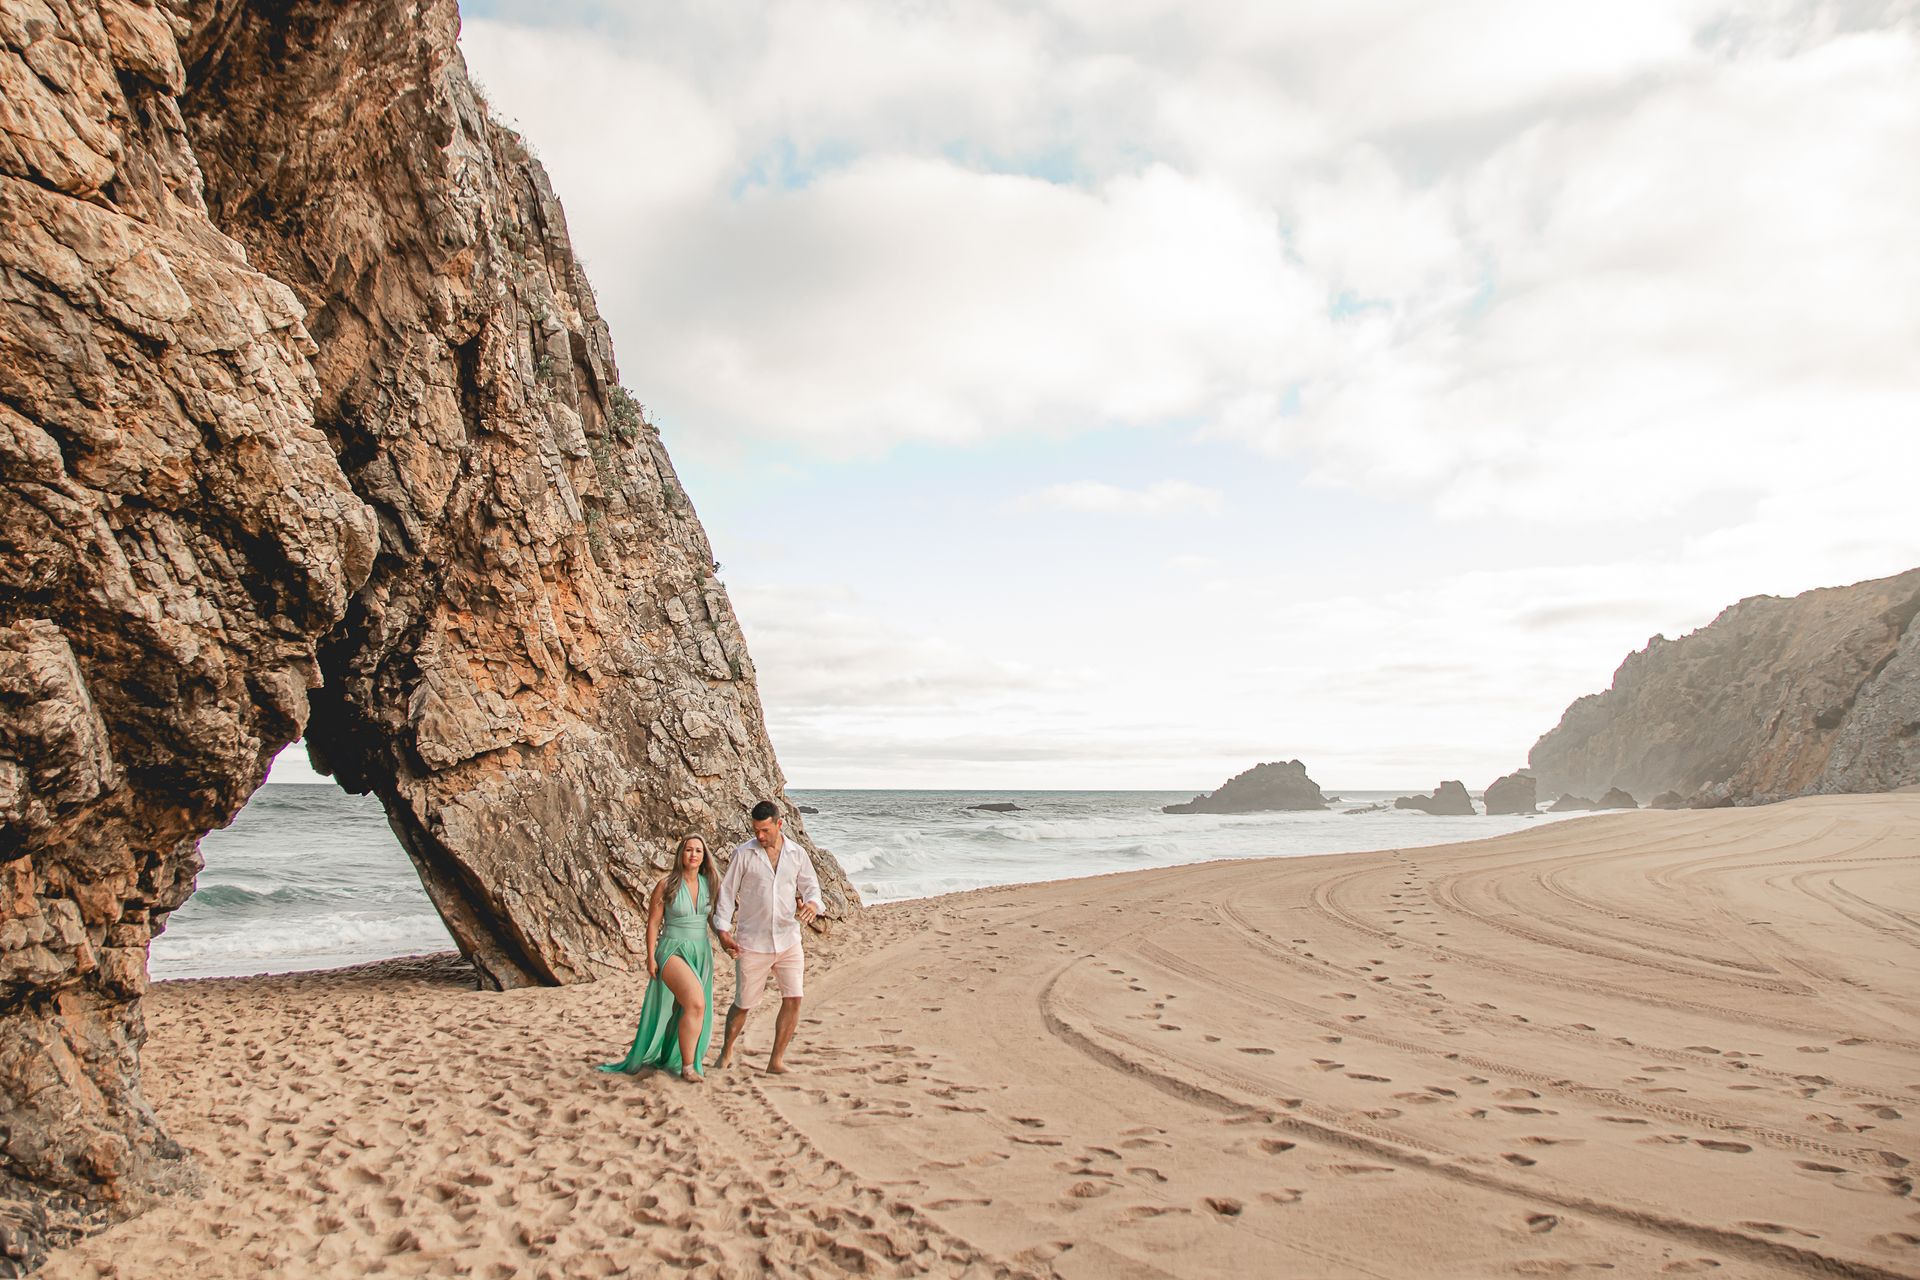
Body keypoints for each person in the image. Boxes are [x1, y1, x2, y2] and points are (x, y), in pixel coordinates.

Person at [599, 833, 726, 1083]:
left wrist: (726, 940)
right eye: (688, 850)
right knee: (695, 1003)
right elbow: (653, 923)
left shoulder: (710, 883)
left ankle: (675, 1056)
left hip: (701, 951)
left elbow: (713, 920)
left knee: (685, 1008)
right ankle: (688, 1067)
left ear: (704, 856)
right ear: (681, 854)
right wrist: (650, 956)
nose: (693, 854)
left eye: (698, 851)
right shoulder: (666, 884)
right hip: (671, 950)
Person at [713, 800, 823, 1074]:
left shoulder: (797, 854)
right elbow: (727, 894)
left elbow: (812, 888)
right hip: (752, 942)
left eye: (764, 830)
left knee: (794, 998)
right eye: (755, 831)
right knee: (743, 1003)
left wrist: (812, 905)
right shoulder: (744, 854)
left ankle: (776, 1061)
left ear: (779, 824)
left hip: (788, 940)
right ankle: (726, 1051)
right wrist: (723, 932)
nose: (760, 836)